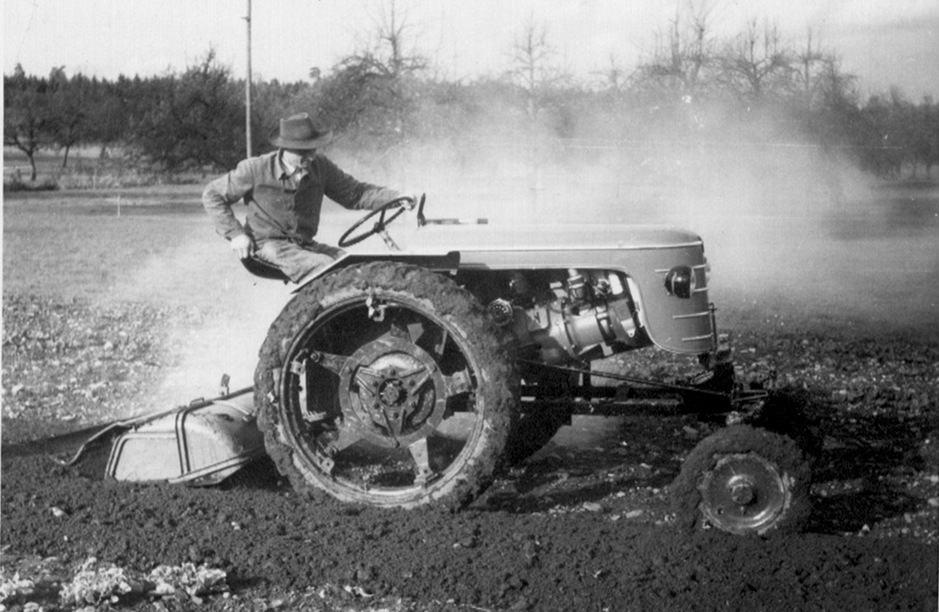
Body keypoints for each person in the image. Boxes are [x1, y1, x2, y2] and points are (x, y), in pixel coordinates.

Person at [202, 112, 406, 283]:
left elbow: (356, 194)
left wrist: (396, 198)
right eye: (303, 152)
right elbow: (212, 195)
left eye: (313, 149)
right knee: (327, 269)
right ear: (285, 148)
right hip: (266, 244)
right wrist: (236, 234)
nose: (311, 157)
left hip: (305, 246)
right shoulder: (256, 168)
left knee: (355, 265)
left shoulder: (320, 166)